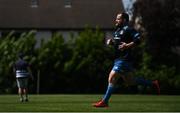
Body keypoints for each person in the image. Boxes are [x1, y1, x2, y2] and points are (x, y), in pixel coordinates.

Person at [92, 12, 160, 107]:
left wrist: (127, 45)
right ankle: (153, 83)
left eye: (118, 18)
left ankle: (105, 101)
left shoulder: (129, 29)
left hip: (124, 59)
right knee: (131, 81)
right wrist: (112, 43)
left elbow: (138, 39)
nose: (116, 20)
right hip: (119, 60)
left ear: (124, 20)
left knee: (112, 77)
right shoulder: (117, 31)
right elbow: (118, 44)